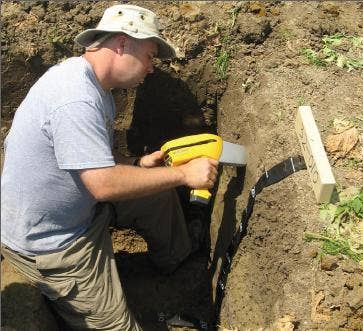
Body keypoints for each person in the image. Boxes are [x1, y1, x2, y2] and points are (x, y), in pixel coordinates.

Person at [1, 4, 218, 331]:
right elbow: (102, 184)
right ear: (121, 44)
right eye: (149, 55)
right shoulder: (75, 98)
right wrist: (185, 174)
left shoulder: (94, 87)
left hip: (78, 211)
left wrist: (137, 164)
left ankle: (180, 263)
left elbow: (86, 161)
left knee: (154, 191)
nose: (151, 68)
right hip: (56, 246)